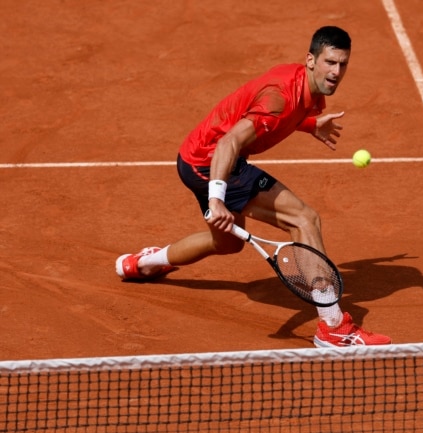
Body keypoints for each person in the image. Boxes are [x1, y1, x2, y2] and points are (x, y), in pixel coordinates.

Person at [115, 26, 391, 348]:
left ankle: (142, 264)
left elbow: (271, 115)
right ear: (311, 60)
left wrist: (310, 123)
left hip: (197, 158)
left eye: (343, 64)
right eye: (330, 62)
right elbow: (229, 142)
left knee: (227, 244)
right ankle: (333, 327)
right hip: (211, 162)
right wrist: (216, 199)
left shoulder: (303, 86)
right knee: (304, 219)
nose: (336, 72)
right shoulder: (280, 97)